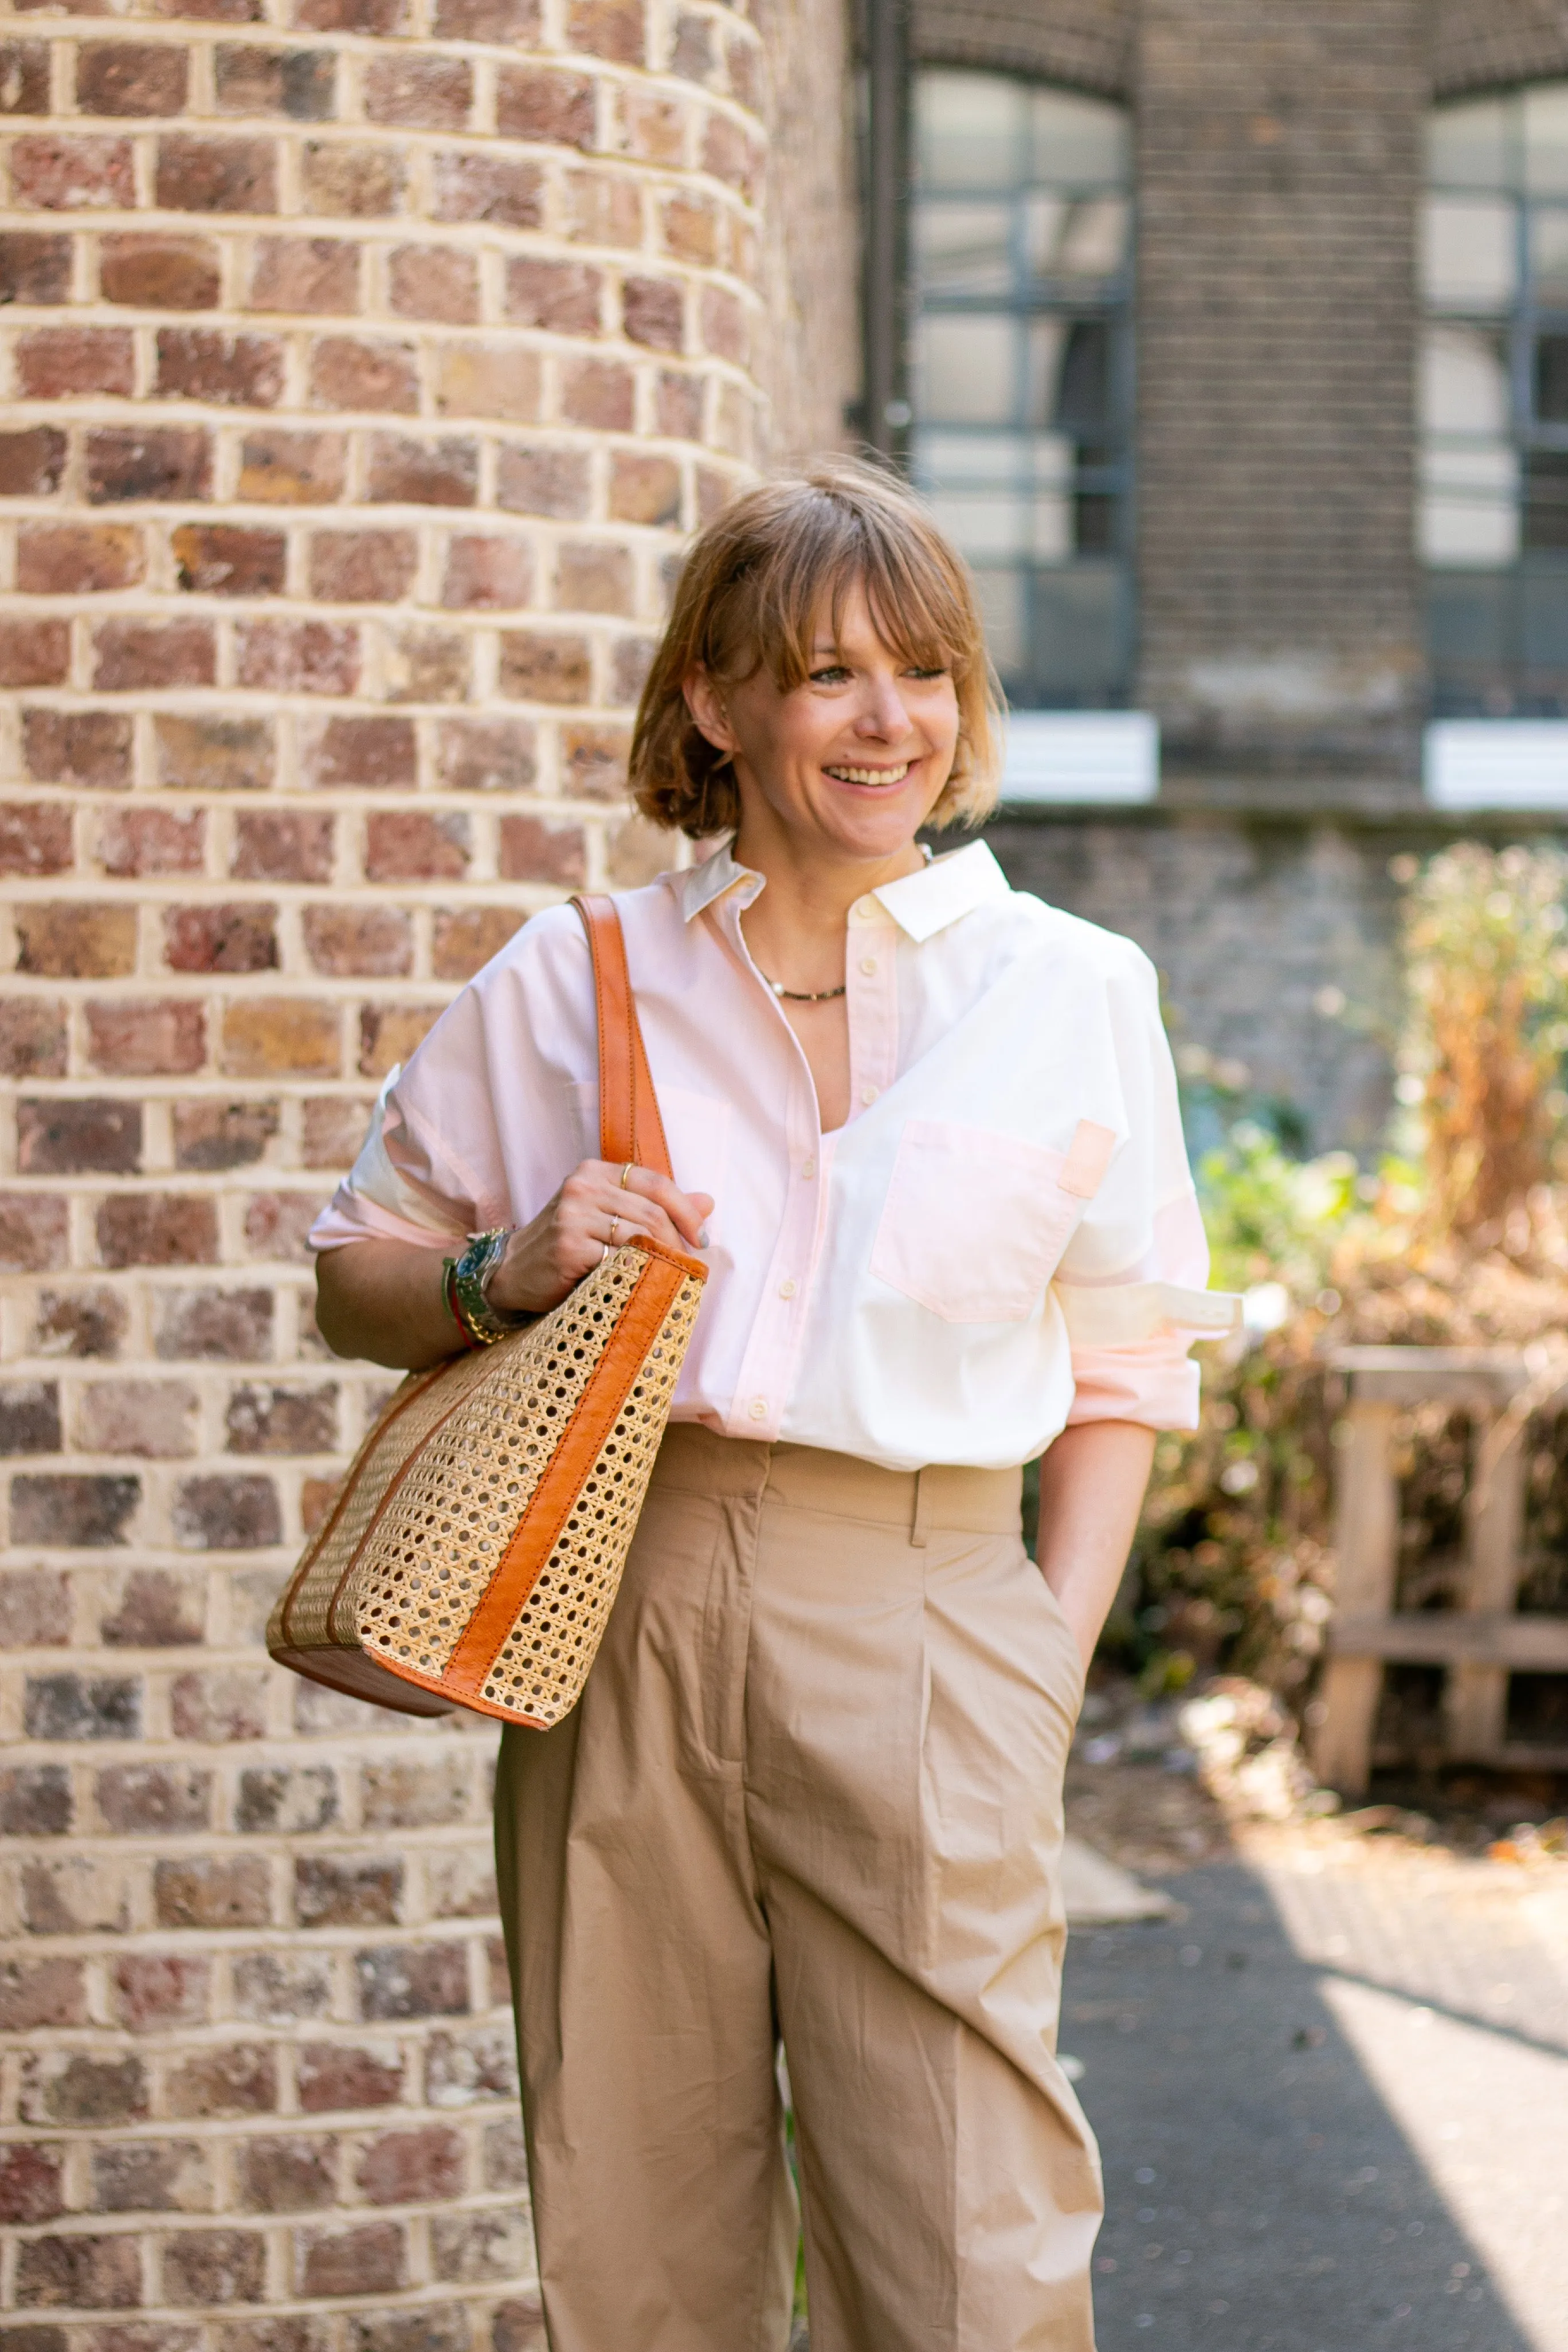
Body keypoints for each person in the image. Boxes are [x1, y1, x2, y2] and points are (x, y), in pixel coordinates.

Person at [311, 458, 1218, 2352]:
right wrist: (510, 1265)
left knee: (972, 2235)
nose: (888, 722)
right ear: (714, 704)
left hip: (930, 1603)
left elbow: (1129, 1359)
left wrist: (1041, 1659)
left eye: (925, 673)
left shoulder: (1070, 989)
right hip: (624, 1608)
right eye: (826, 675)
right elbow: (357, 1272)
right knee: (639, 2221)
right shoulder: (575, 980)